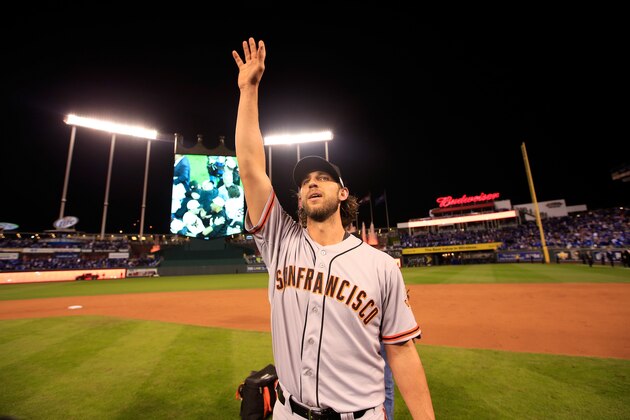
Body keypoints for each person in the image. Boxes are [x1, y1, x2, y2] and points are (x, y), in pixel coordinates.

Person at [232, 37, 434, 419]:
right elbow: (250, 168)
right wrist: (249, 89)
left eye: (322, 177)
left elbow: (402, 352)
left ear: (342, 193)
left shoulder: (381, 266)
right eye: (306, 179)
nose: (311, 183)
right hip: (287, 412)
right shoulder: (280, 241)